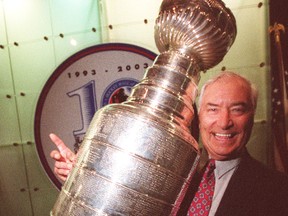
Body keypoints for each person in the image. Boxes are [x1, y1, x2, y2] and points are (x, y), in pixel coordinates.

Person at [50, 71, 288, 216]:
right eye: (213, 109)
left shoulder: (277, 191)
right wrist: (83, 179)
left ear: (252, 115)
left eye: (237, 110)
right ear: (199, 115)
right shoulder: (171, 172)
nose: (224, 123)